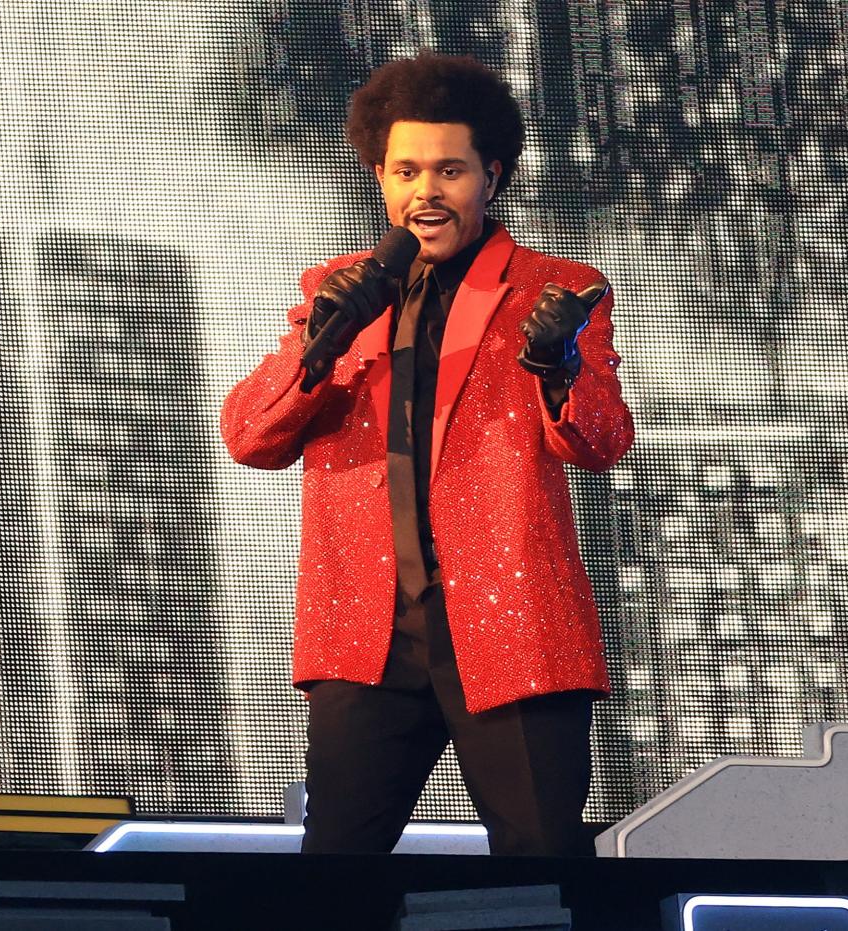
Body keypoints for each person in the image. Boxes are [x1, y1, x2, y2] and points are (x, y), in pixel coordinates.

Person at [221, 51, 634, 856]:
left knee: (543, 876)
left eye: (449, 169)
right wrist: (320, 344)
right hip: (366, 637)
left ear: (492, 175)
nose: (425, 192)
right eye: (405, 169)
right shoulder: (336, 288)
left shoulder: (553, 287)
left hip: (510, 627)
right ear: (379, 176)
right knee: (331, 887)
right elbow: (248, 436)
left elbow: (603, 440)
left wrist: (560, 363)